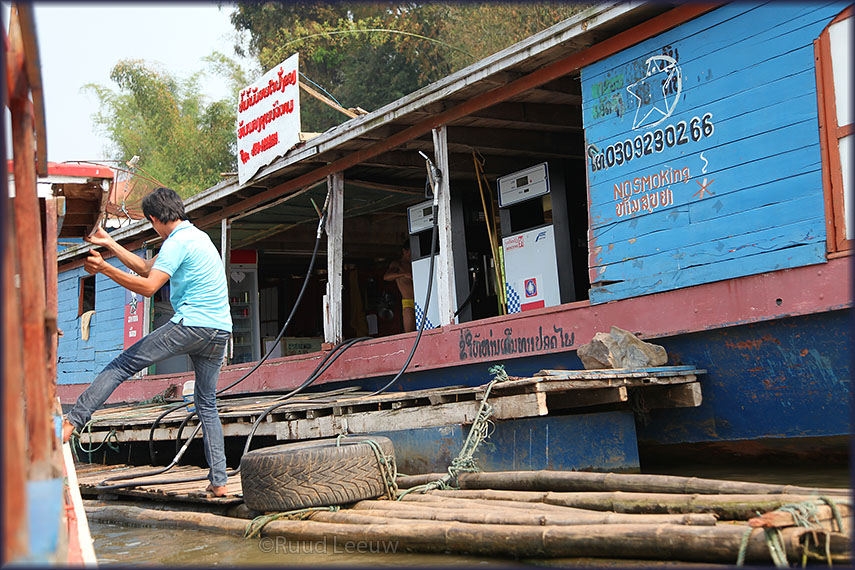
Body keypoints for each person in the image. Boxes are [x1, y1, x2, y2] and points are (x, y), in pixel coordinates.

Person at [62, 187, 233, 497]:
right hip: (219, 330)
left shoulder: (176, 241)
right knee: (207, 404)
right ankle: (219, 482)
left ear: (155, 219)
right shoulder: (196, 236)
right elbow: (145, 267)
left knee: (120, 365)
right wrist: (110, 242)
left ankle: (70, 423)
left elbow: (148, 286)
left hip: (191, 324)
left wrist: (104, 267)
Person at [384, 240, 416, 332]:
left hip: (422, 301)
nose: (412, 254)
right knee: (410, 332)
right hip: (408, 302)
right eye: (410, 252)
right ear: (404, 251)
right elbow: (386, 277)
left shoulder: (415, 263)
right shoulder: (398, 264)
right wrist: (403, 274)